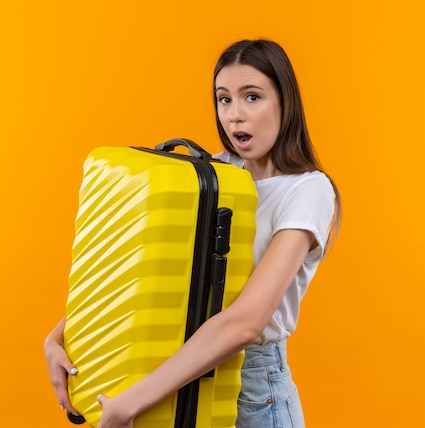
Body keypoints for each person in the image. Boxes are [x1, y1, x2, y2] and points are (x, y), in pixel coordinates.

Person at [44, 39, 341, 428]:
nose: (234, 116)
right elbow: (144, 266)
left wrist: (133, 400)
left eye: (252, 97)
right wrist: (60, 334)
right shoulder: (217, 174)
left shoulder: (307, 190)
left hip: (251, 394)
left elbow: (245, 323)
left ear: (285, 103)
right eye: (224, 99)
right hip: (179, 371)